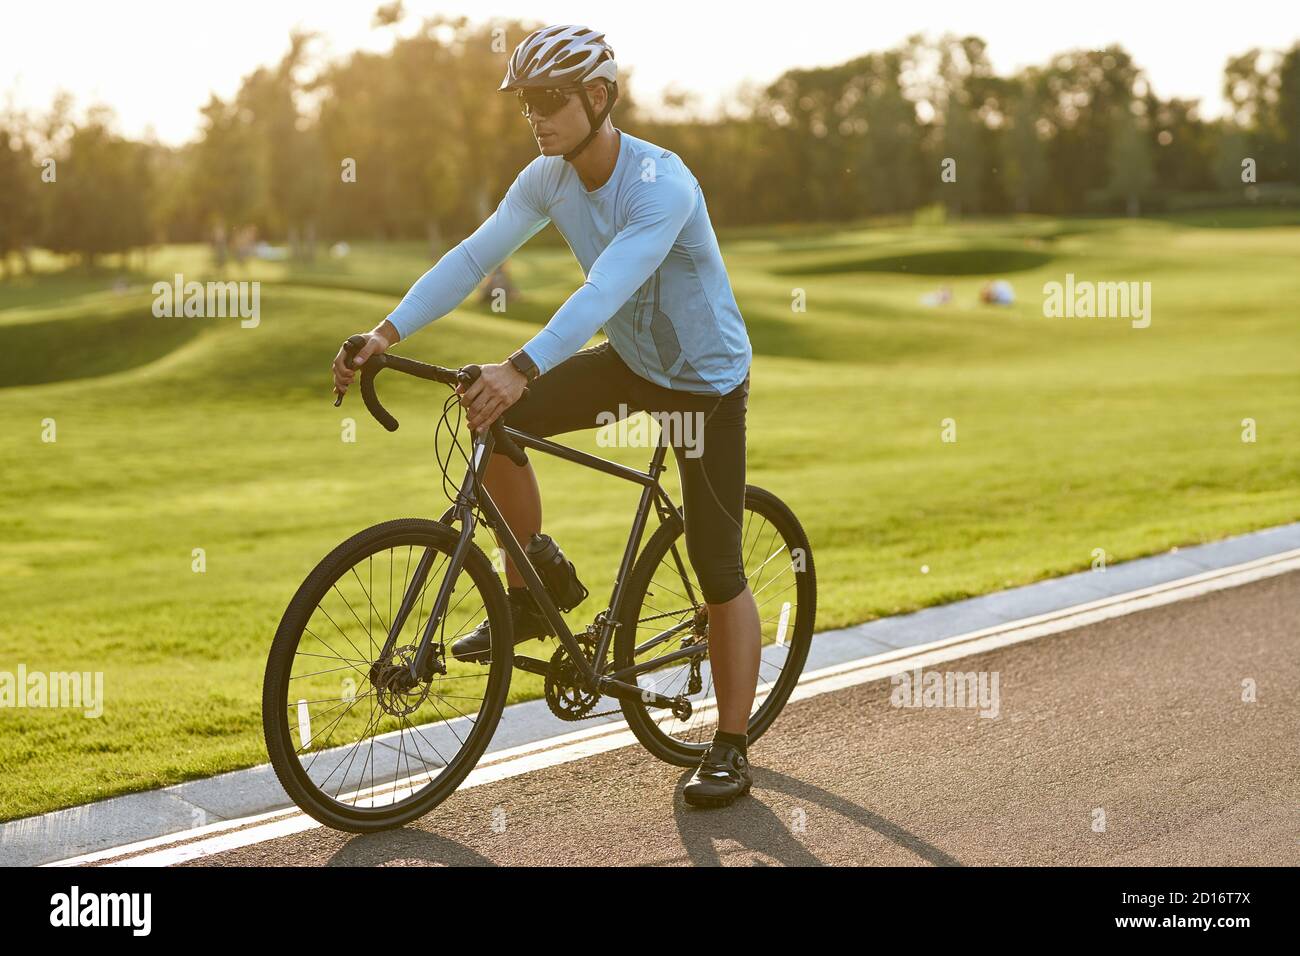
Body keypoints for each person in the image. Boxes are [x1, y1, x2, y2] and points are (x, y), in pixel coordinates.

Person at [331, 25, 757, 808]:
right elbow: (470, 256)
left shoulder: (661, 182)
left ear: (600, 96)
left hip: (703, 383)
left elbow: (603, 292)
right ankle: (536, 584)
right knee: (489, 418)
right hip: (633, 364)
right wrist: (383, 334)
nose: (536, 114)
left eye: (551, 98)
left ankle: (730, 744)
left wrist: (522, 367)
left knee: (717, 562)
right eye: (527, 101)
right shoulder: (547, 177)